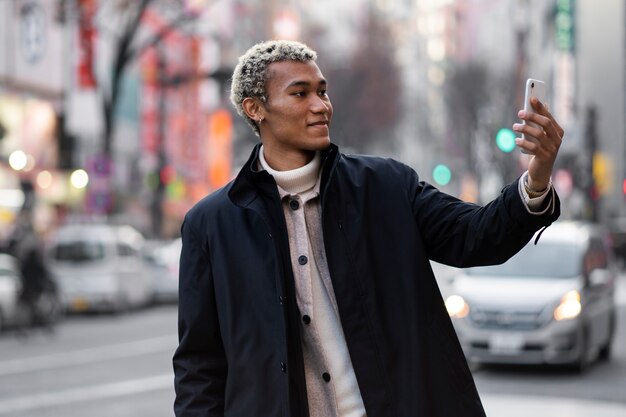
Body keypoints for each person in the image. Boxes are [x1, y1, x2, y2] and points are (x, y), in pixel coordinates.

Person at [173, 40, 563, 417]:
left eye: (322, 91)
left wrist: (537, 178)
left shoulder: (385, 186)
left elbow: (477, 237)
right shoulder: (211, 224)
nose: (321, 105)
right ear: (255, 108)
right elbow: (199, 367)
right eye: (300, 93)